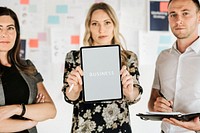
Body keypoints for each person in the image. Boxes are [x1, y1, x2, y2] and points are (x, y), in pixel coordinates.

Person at [62, 2, 143, 133]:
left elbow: (135, 95)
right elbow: (69, 96)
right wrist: (75, 90)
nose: (101, 29)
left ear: (114, 25)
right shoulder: (74, 58)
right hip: (84, 127)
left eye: (107, 23)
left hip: (118, 127)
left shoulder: (128, 58)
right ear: (89, 27)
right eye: (95, 24)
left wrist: (129, 91)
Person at [0, 7, 56, 133]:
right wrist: (31, 121)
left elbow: (51, 110)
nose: (4, 34)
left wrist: (17, 109)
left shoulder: (27, 67)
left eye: (10, 28)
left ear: (16, 33)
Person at [148, 0, 200, 132]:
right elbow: (152, 101)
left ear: (198, 17)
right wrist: (156, 106)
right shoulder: (163, 58)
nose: (178, 20)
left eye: (185, 13)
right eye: (173, 14)